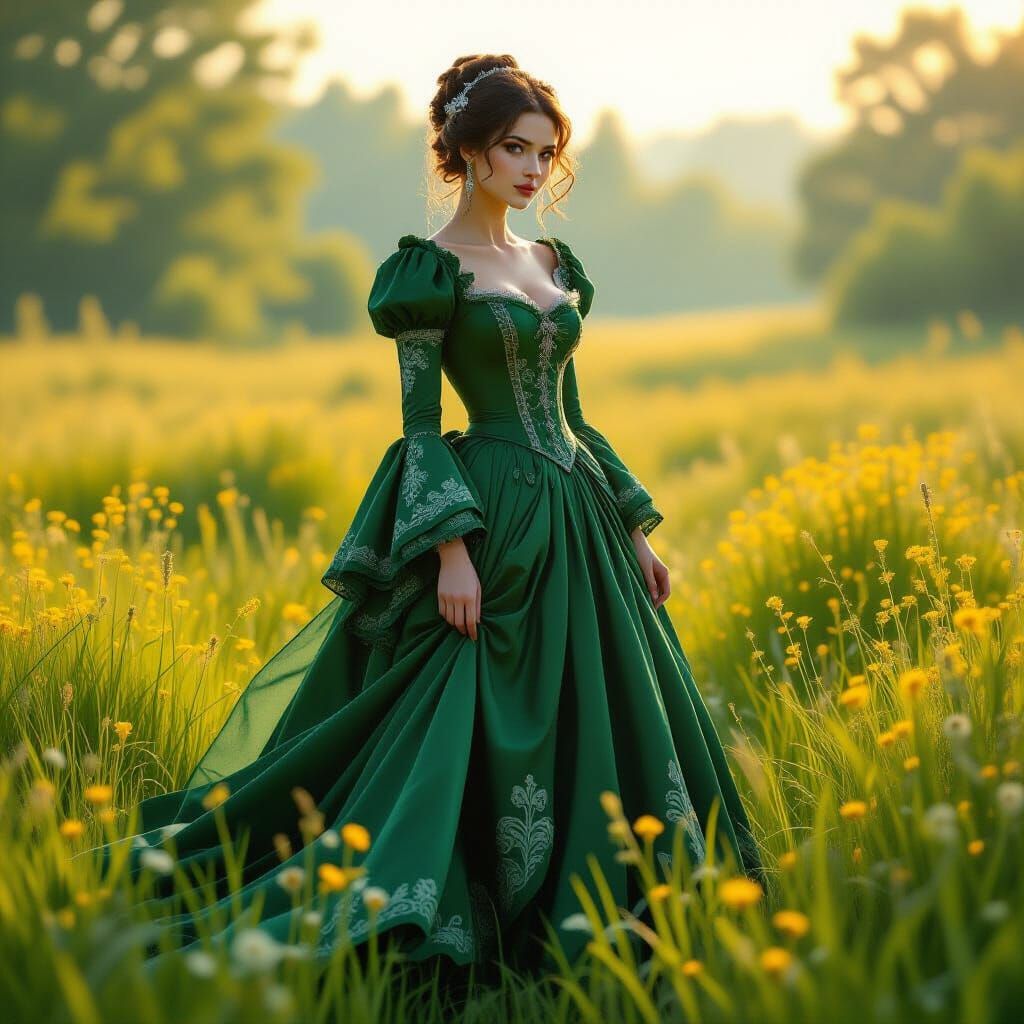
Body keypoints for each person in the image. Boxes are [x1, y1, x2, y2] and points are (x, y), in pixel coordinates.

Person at [93, 53, 766, 979]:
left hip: (578, 515)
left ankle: (629, 906)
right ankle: (462, 903)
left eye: (546, 151)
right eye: (513, 149)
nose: (533, 169)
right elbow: (415, 428)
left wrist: (636, 530)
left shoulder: (553, 262)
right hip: (489, 512)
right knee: (471, 706)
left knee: (608, 704)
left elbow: (572, 414)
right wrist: (452, 550)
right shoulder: (427, 272)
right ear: (466, 152)